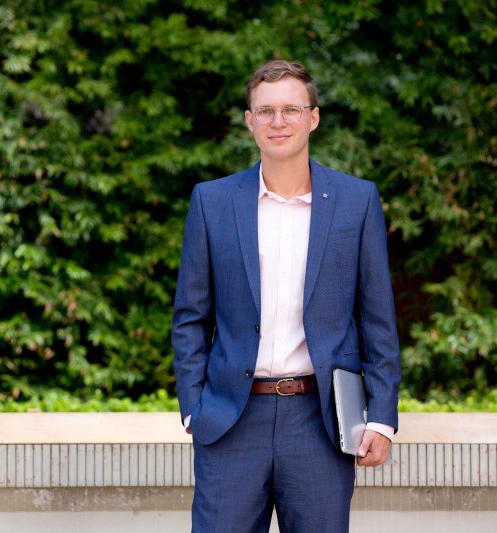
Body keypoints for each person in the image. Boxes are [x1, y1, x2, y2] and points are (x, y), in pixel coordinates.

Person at [171, 60, 401, 532]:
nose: (279, 122)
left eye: (291, 110)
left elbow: (377, 318)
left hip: (319, 422)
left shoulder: (357, 202)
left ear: (312, 118)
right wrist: (194, 405)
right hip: (232, 420)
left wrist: (380, 417)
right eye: (266, 111)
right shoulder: (211, 202)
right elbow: (190, 318)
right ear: (249, 120)